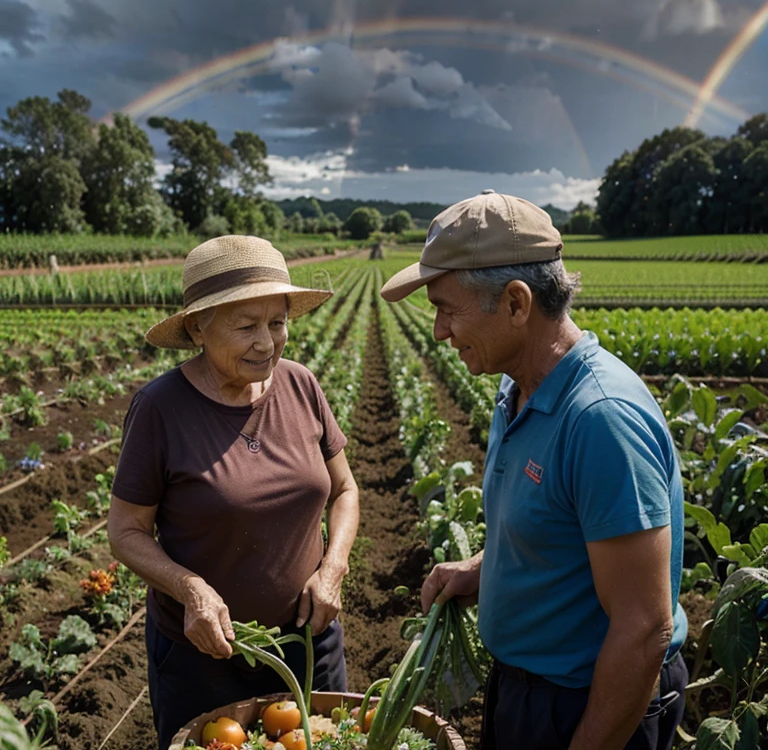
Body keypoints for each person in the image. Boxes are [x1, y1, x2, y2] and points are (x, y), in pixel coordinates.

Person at [380, 191, 688, 750]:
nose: (438, 332)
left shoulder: (600, 419)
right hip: (527, 692)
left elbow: (644, 628)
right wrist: (483, 567)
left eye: (447, 308)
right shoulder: (517, 387)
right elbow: (561, 533)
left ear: (517, 304)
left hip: (590, 704)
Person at [108, 234, 360, 750]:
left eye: (278, 322)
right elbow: (126, 531)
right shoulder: (160, 409)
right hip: (206, 658)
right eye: (246, 326)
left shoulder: (301, 386)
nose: (266, 342)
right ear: (198, 327)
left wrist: (333, 568)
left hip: (309, 645)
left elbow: (345, 489)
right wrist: (191, 590)